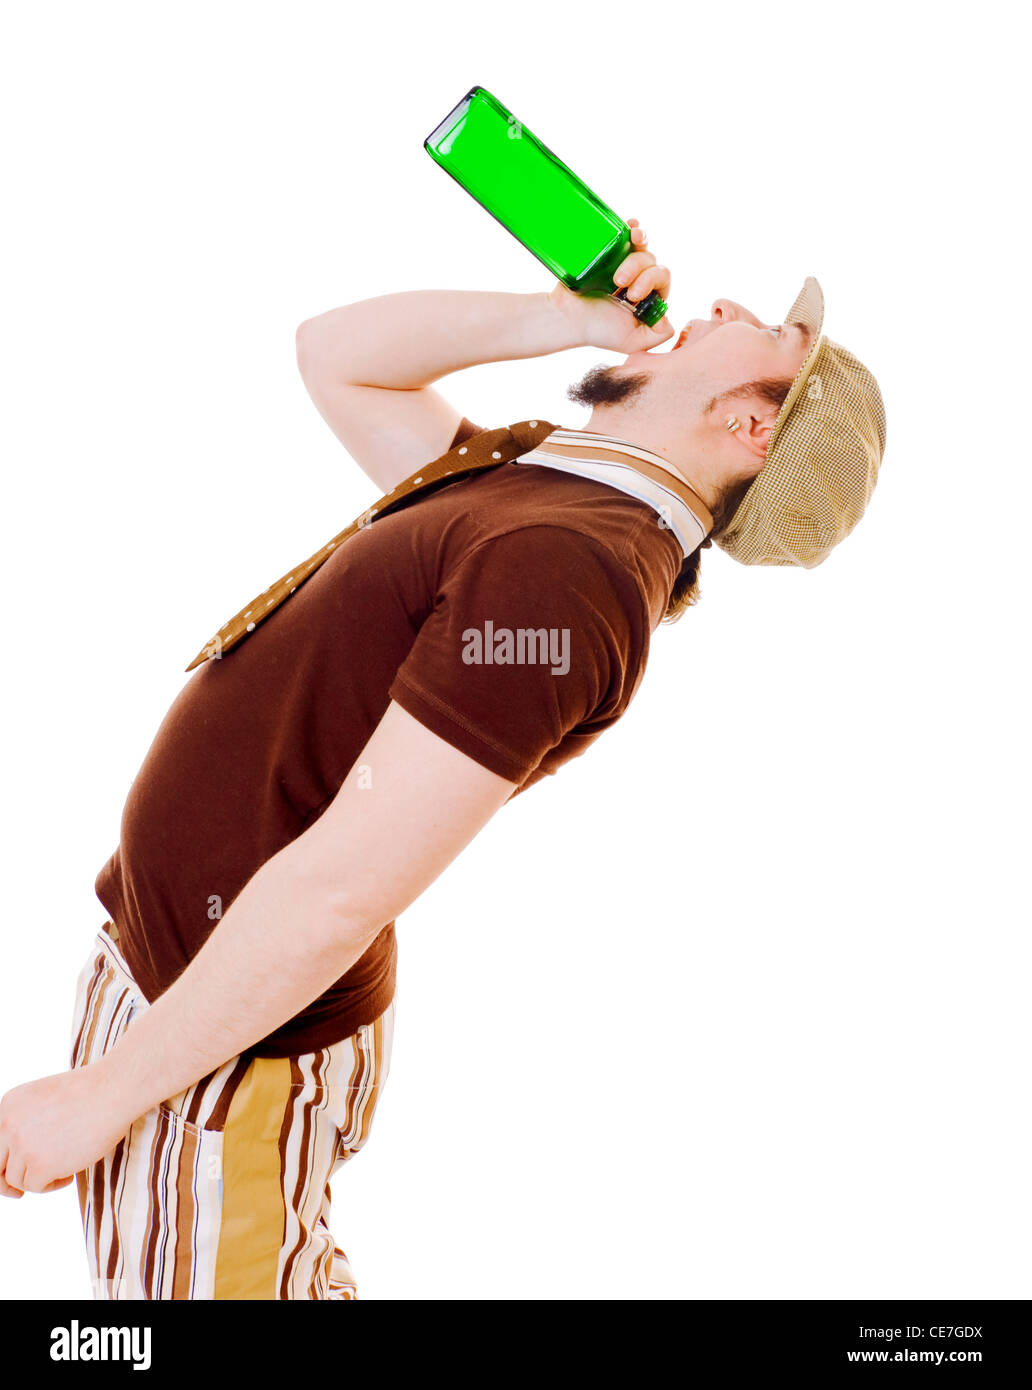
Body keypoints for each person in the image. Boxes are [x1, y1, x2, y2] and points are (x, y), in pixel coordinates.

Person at [0, 218, 886, 1298]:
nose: (729, 308)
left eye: (772, 335)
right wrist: (558, 320)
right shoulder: (548, 489)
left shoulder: (566, 572)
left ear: (752, 425)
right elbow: (336, 356)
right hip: (178, 992)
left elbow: (342, 889)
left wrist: (102, 1098)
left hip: (223, 1050)